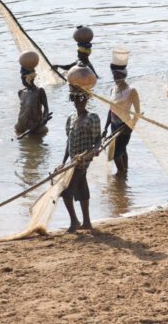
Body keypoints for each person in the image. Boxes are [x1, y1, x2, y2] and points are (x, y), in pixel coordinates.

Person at [60, 83, 101, 232]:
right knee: (82, 188)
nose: (79, 103)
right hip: (72, 162)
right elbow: (68, 142)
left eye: (82, 99)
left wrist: (95, 149)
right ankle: (87, 223)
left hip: (83, 161)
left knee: (65, 190)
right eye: (76, 100)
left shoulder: (92, 118)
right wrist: (63, 162)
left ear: (86, 100)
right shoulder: (71, 119)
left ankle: (74, 221)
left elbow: (98, 139)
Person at [102, 52, 140, 176]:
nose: (115, 78)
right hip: (114, 126)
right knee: (122, 150)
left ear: (124, 76)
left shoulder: (131, 91)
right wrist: (105, 127)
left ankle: (121, 176)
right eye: (114, 75)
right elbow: (111, 110)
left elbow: (137, 113)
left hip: (125, 126)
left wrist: (129, 127)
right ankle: (125, 171)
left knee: (116, 153)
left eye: (118, 75)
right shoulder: (113, 89)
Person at [15, 58, 50, 136]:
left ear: (29, 78)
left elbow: (46, 108)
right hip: (20, 127)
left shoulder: (39, 91)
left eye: (22, 78)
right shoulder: (21, 92)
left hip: (35, 128)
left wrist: (44, 119)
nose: (22, 80)